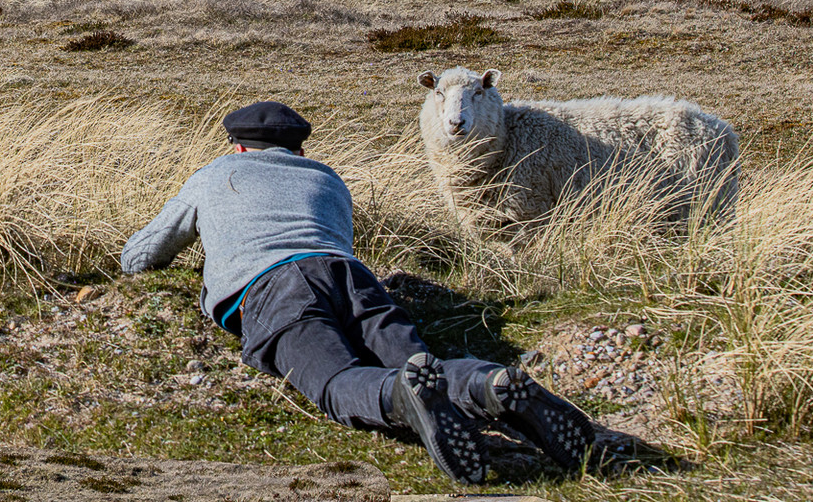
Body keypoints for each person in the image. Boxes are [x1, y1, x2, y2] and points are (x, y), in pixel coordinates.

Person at [121, 100, 601, 483]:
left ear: (239, 148)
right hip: (350, 275)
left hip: (272, 288)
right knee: (421, 365)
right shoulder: (327, 178)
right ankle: (487, 384)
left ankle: (399, 398)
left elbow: (144, 254)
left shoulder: (213, 175)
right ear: (300, 150)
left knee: (334, 380)